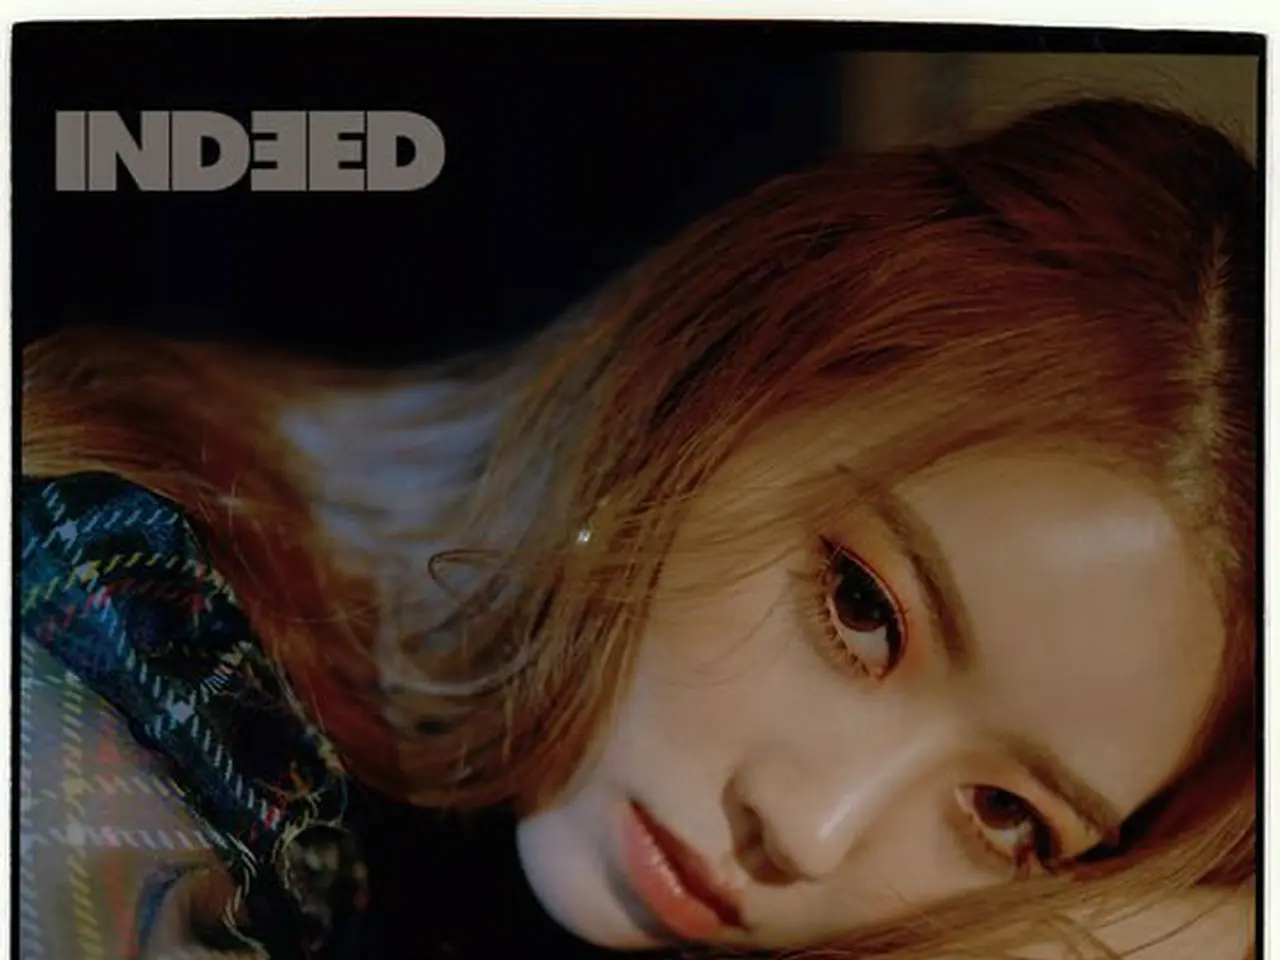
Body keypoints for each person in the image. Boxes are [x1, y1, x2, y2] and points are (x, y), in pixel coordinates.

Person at [19, 96, 1257, 960]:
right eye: (859, 608)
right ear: (713, 379)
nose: (808, 831)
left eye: (1005, 817)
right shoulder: (113, 675)